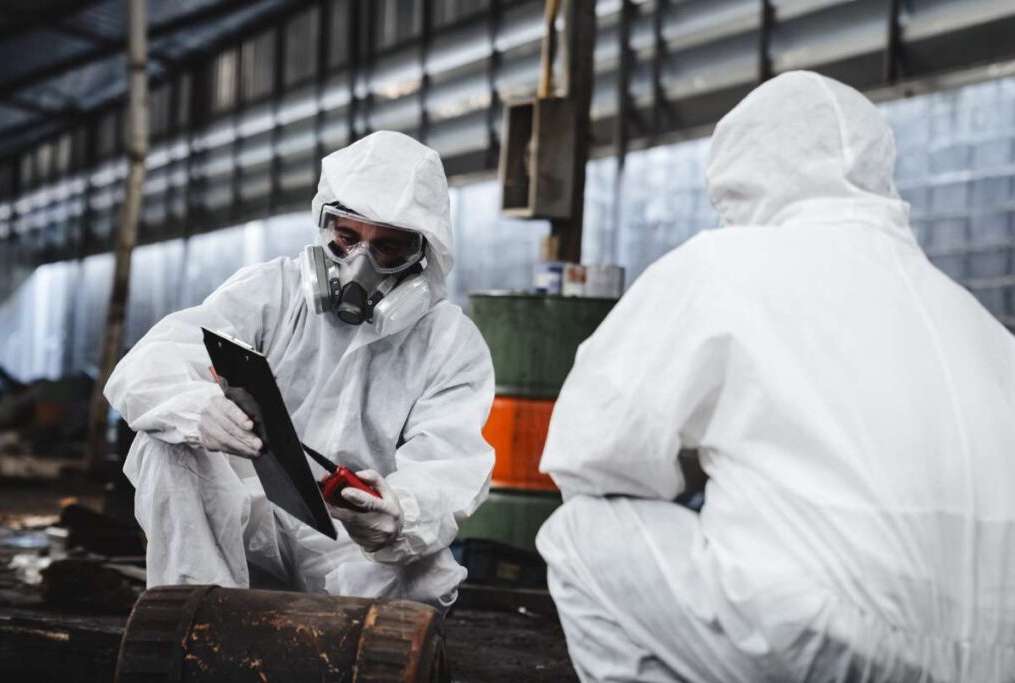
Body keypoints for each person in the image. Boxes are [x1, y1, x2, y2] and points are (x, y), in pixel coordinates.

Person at [536, 71, 1015, 681]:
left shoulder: (724, 262)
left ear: (743, 183)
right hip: (998, 655)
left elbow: (592, 456)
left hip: (824, 633)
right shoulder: (976, 321)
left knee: (584, 534)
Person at [105, 131, 495, 613]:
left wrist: (398, 511)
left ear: (424, 251)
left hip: (358, 554)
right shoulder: (273, 291)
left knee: (413, 577)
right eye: (348, 238)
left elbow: (451, 463)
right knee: (164, 442)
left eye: (388, 248)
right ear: (325, 225)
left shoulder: (449, 342)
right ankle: (199, 622)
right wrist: (197, 409)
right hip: (254, 525)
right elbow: (152, 361)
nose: (360, 265)